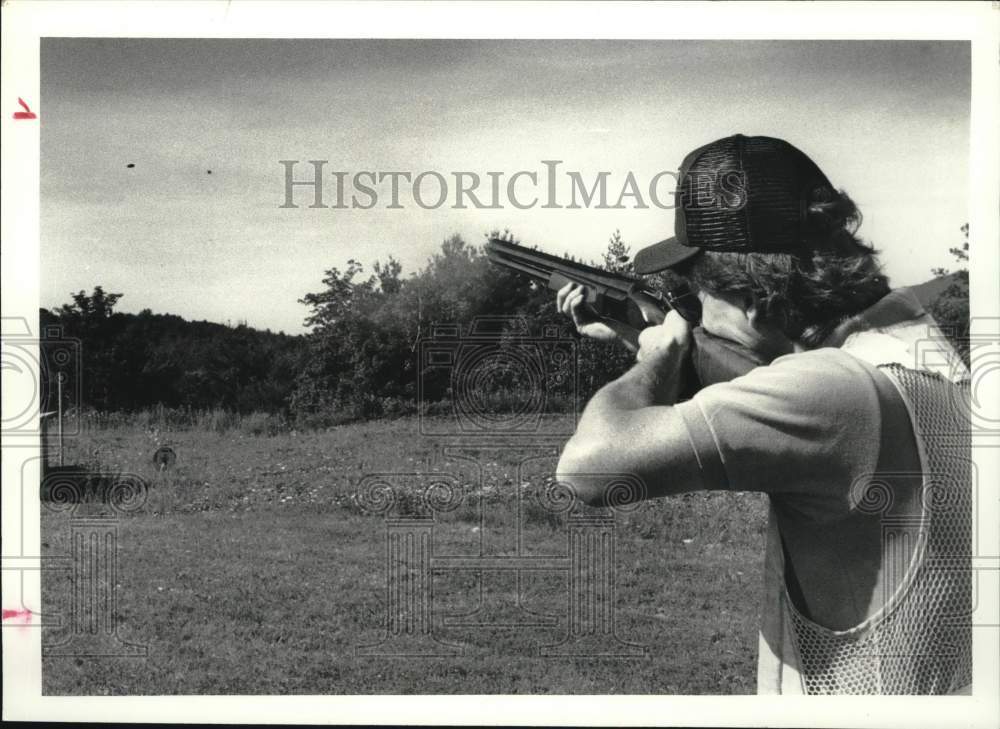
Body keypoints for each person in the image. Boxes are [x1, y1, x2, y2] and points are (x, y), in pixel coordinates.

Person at [554, 134, 972, 695]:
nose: (695, 315)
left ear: (753, 297)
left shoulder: (833, 391)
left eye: (699, 297)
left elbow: (588, 467)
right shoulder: (915, 353)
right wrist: (641, 340)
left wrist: (659, 354)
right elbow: (761, 386)